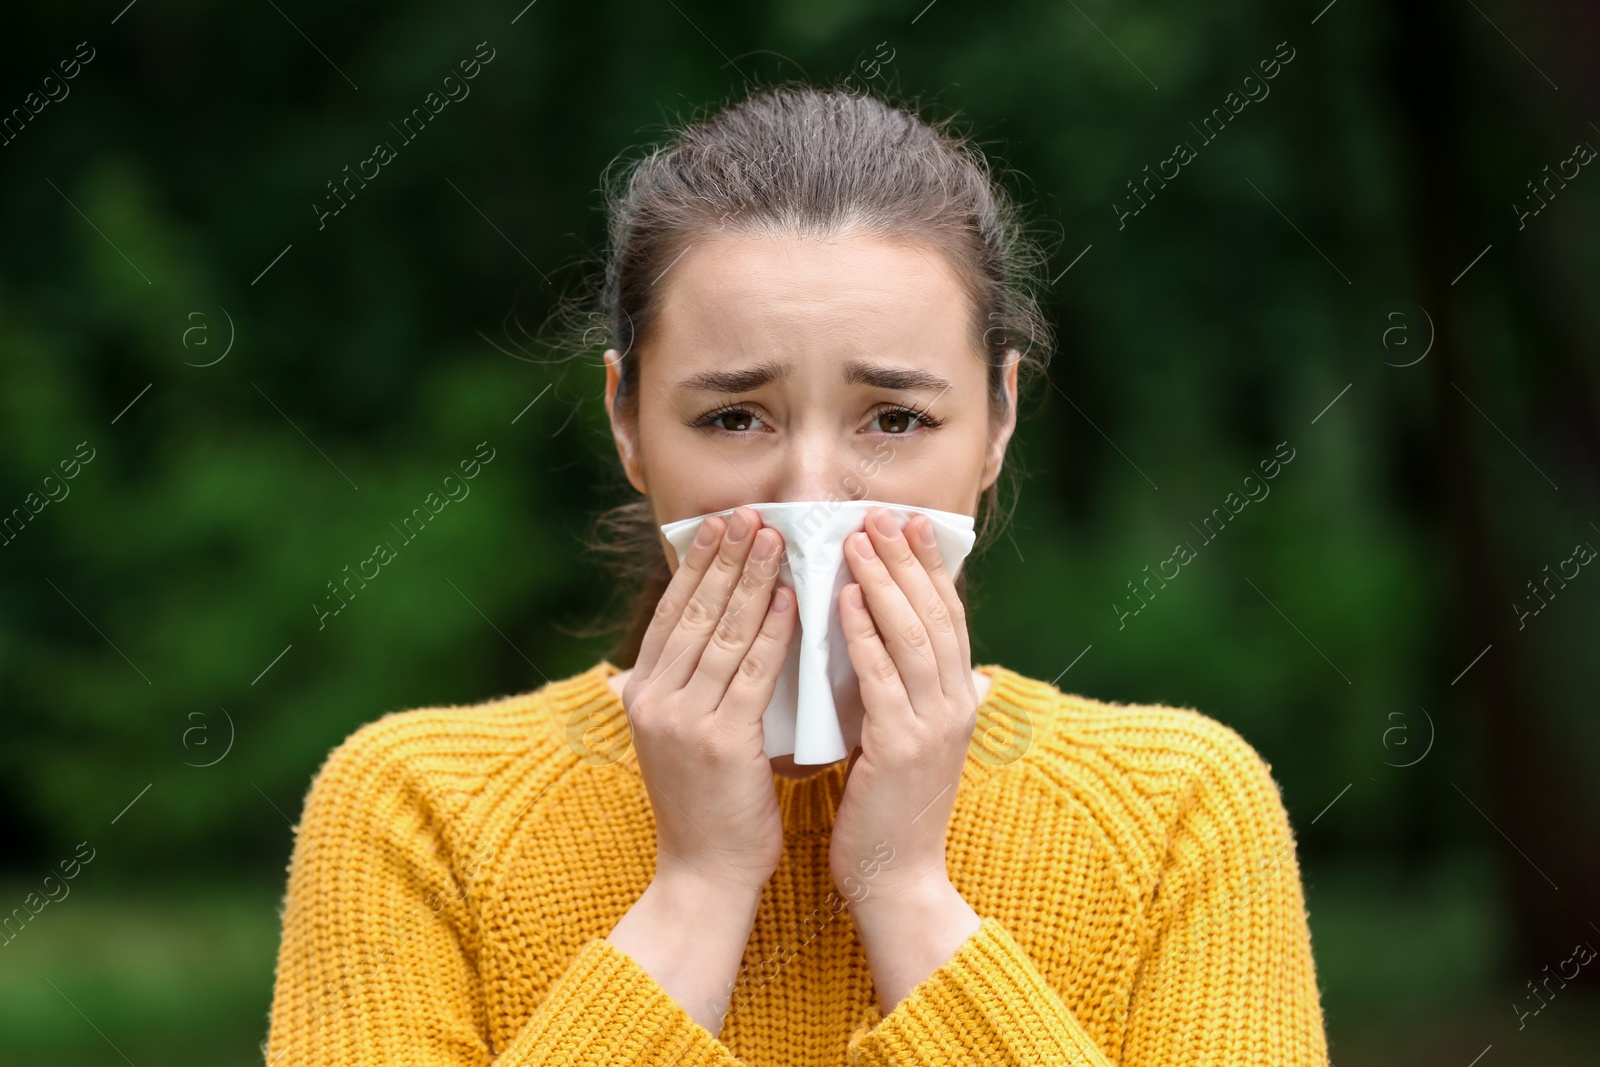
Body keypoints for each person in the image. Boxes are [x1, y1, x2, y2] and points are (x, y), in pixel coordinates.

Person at [263, 84, 1330, 1066]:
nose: (814, 489)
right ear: (627, 421)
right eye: (733, 416)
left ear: (998, 420)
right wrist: (696, 888)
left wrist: (908, 891)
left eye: (896, 419)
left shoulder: (1178, 810)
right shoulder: (415, 811)